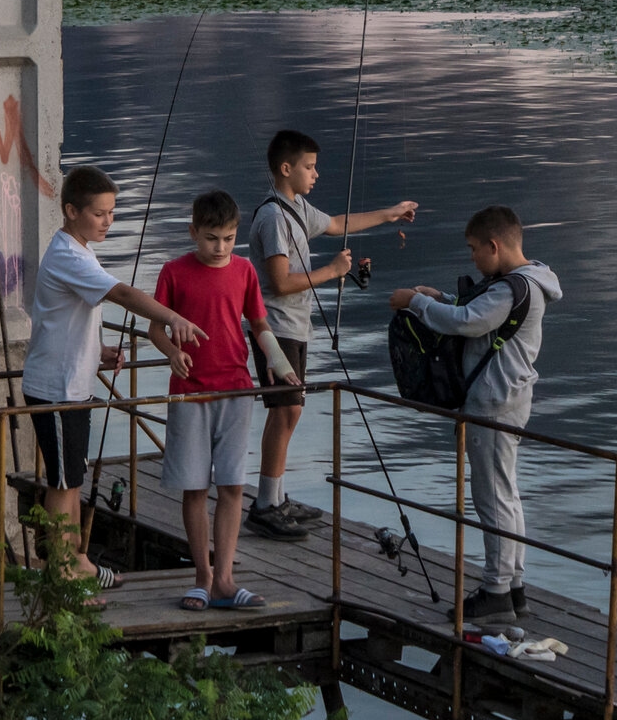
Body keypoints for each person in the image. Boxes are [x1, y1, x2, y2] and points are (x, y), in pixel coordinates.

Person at [20, 164, 204, 584]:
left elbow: (65, 319)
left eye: (112, 212)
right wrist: (172, 316)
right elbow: (121, 293)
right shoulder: (68, 254)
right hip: (55, 389)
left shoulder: (80, 251)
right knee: (63, 483)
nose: (108, 221)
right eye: (99, 213)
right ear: (71, 210)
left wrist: (97, 350)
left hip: (73, 384)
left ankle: (75, 561)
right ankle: (62, 569)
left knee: (73, 479)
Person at [388, 203, 561, 621]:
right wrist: (440, 297)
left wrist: (415, 303)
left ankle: (497, 590)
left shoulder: (509, 289)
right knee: (507, 493)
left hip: (493, 405)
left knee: (492, 498)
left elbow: (467, 322)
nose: (471, 257)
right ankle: (513, 584)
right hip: (508, 402)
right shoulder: (521, 283)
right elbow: (480, 315)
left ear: (494, 245)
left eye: (473, 249)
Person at [244, 129, 417, 539]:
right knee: (284, 409)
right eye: (309, 166)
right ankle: (266, 504)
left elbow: (338, 223)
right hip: (274, 327)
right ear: (286, 169)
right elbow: (280, 282)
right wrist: (333, 272)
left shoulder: (297, 207)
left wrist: (389, 214)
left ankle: (276, 496)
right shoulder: (272, 216)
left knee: (292, 409)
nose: (316, 173)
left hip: (295, 327)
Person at [148, 189, 301, 610]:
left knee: (232, 485)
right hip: (190, 392)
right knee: (195, 487)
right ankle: (203, 576)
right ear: (194, 231)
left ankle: (227, 579)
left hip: (237, 389)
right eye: (212, 238)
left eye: (229, 238)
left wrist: (281, 364)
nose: (220, 248)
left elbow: (259, 323)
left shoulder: (246, 271)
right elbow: (155, 330)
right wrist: (172, 352)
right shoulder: (173, 272)